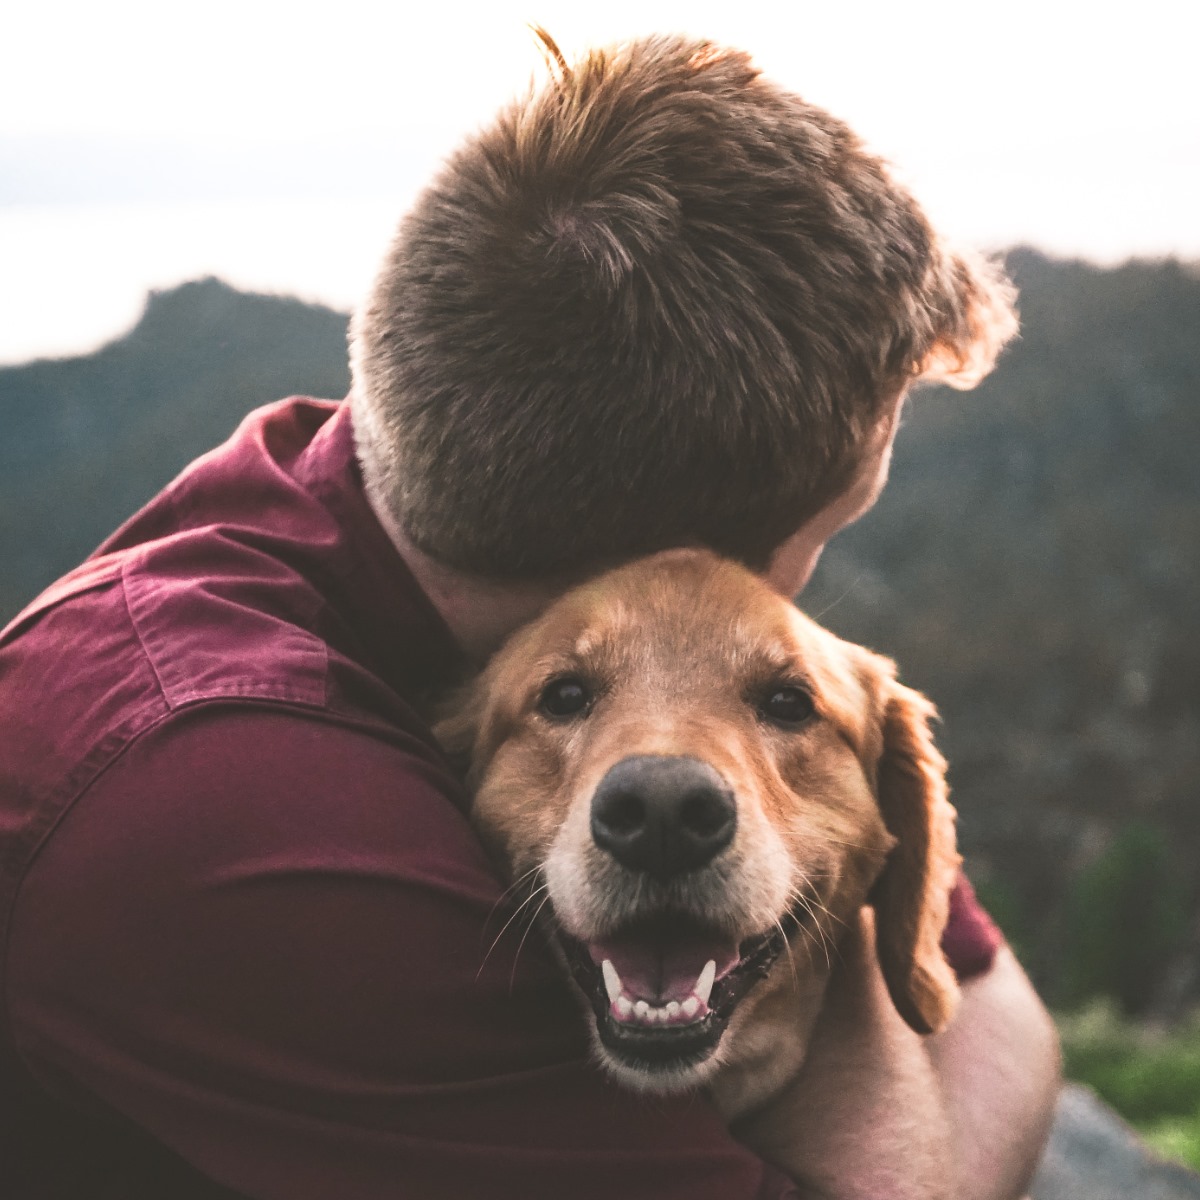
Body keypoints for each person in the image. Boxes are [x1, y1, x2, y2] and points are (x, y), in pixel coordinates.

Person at [0, 32, 1059, 1200]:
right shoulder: (227, 803)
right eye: (829, 529)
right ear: (674, 563)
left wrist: (832, 907)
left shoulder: (373, 477)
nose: (785, 597)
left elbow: (996, 1006)